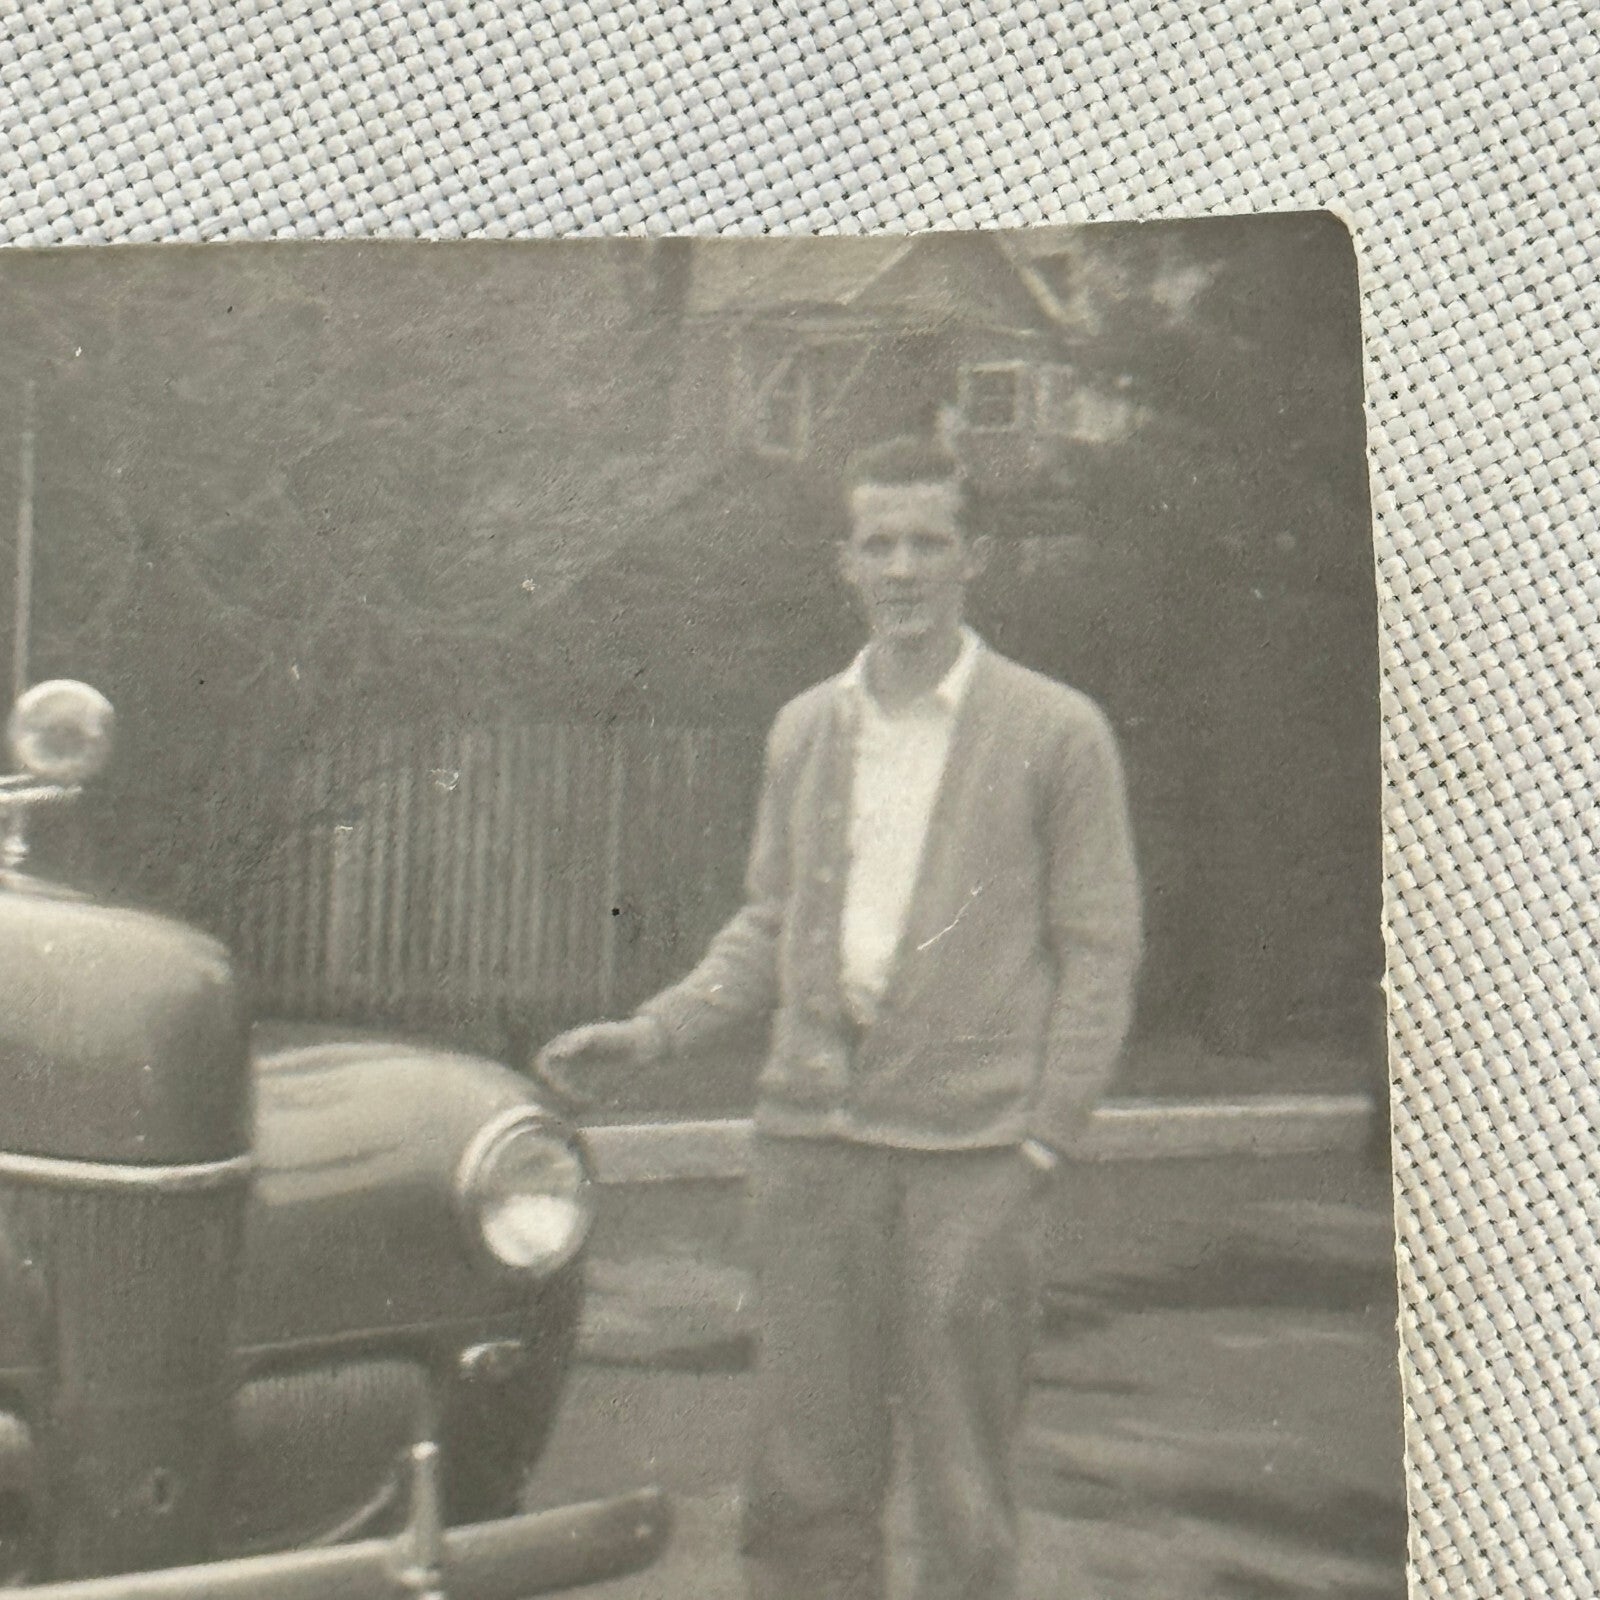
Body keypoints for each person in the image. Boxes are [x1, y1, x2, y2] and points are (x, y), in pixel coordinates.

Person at [537, 434, 1142, 1600]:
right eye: (880, 543)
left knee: (964, 1492)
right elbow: (769, 923)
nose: (904, 567)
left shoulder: (1057, 732)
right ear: (844, 563)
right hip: (810, 1155)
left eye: (929, 541)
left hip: (972, 1161)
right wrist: (654, 1030)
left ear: (978, 556)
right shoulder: (807, 727)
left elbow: (1100, 953)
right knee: (803, 1482)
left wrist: (1041, 1139)